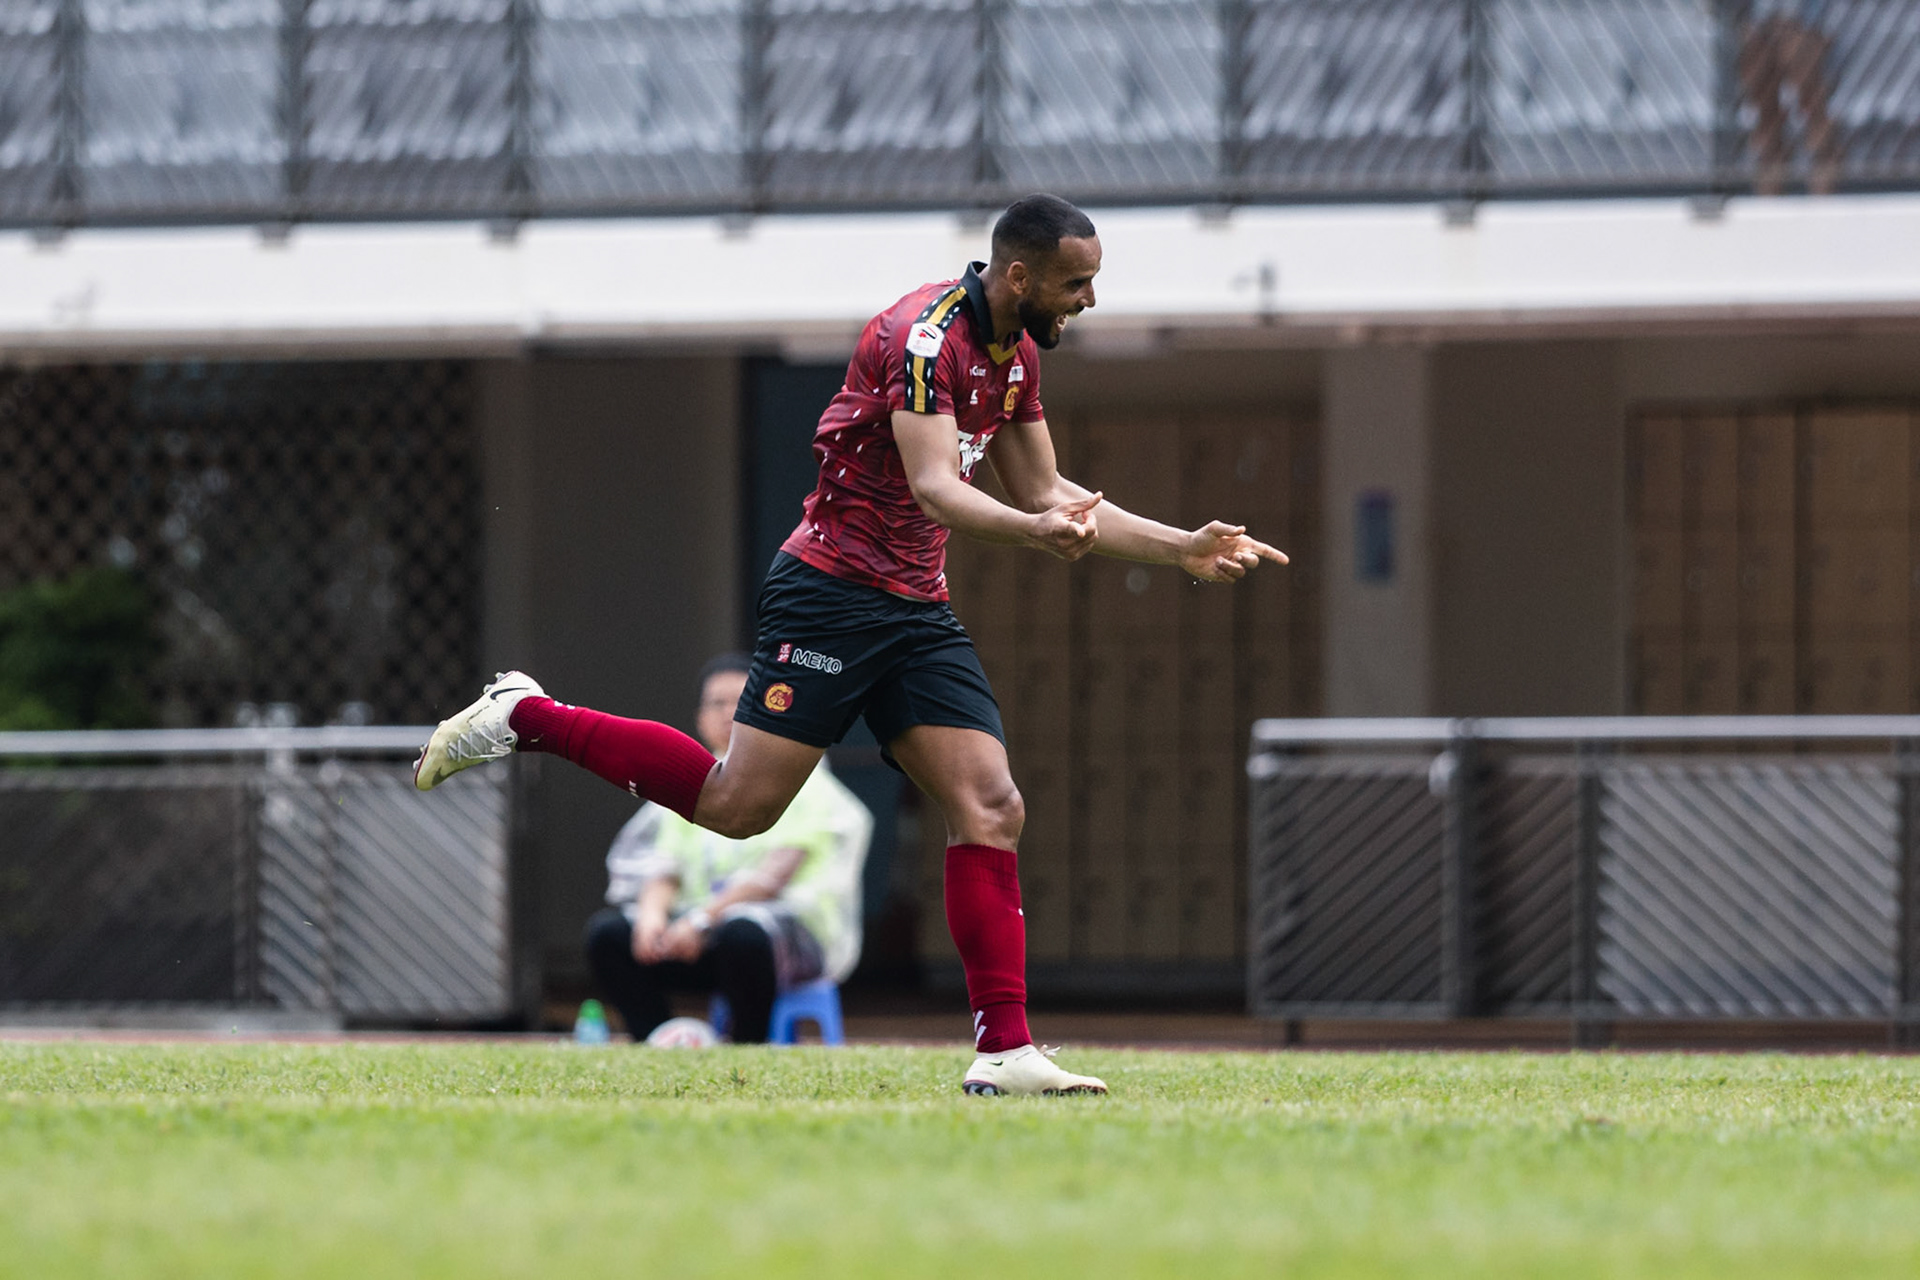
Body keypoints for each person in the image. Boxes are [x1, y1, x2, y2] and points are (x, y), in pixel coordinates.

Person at [416, 193, 1288, 1095]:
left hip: (914, 609)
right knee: (737, 807)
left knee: (992, 804)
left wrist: (1183, 545)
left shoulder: (1017, 351)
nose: (1088, 301)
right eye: (1077, 283)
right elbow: (938, 488)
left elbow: (1047, 491)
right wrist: (1037, 536)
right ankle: (529, 716)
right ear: (1019, 275)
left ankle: (1005, 1050)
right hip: (829, 597)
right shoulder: (924, 340)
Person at [583, 653, 871, 1044]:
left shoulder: (804, 779)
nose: (726, 713)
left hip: (778, 943)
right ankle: (660, 1041)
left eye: (739, 701)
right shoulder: (694, 779)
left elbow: (771, 878)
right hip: (701, 934)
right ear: (700, 717)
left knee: (743, 934)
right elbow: (665, 866)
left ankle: (747, 1047)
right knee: (609, 934)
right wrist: (652, 917)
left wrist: (702, 920)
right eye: (715, 703)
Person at [1739, 0, 1842, 196]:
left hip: (1804, 22)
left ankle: (1825, 186)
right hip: (1759, 25)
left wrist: (1814, 26)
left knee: (1812, 101)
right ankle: (1770, 191)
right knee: (1764, 107)